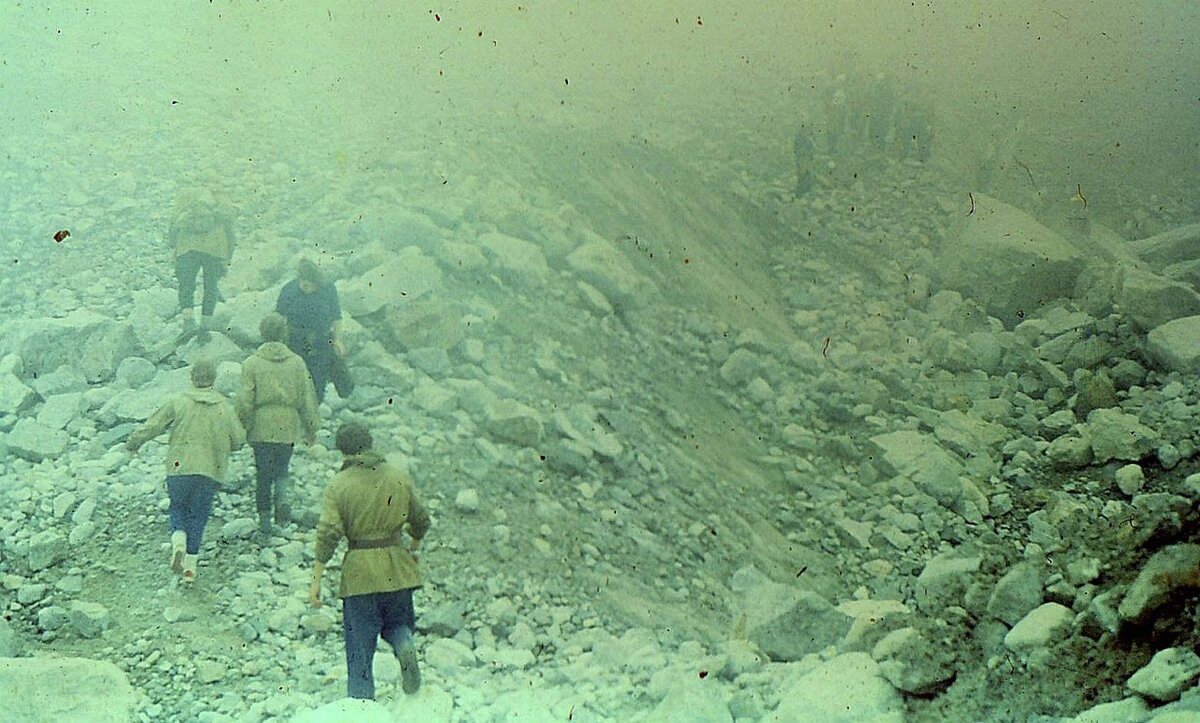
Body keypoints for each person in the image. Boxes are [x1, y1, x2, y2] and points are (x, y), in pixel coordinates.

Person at [310, 422, 431, 701]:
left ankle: (362, 707)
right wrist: (413, 546)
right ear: (371, 442)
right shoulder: (398, 476)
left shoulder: (339, 484)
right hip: (397, 568)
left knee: (359, 649)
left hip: (359, 574)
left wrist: (317, 576)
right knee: (398, 624)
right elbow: (421, 519)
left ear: (342, 451)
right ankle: (404, 644)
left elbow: (329, 532)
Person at [126, 359, 245, 583]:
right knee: (198, 516)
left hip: (179, 466)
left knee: (177, 508)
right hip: (209, 469)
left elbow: (153, 426)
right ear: (213, 378)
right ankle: (190, 568)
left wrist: (133, 443)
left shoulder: (178, 401)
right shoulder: (224, 408)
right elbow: (239, 440)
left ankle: (177, 539)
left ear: (192, 378)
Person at [236, 313, 320, 538]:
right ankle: (281, 507)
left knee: (263, 474)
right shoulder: (296, 362)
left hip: (262, 423)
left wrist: (245, 424)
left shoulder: (251, 363)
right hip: (288, 422)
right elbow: (306, 397)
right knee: (282, 468)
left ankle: (264, 524)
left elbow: (244, 400)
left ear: (262, 333)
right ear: (285, 333)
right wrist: (311, 428)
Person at [168, 182, 236, 341]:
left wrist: (173, 247)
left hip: (187, 246)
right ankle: (205, 328)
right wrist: (228, 257)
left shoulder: (186, 194)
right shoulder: (219, 195)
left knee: (186, 285)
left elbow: (173, 222)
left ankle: (188, 321)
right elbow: (230, 228)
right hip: (215, 247)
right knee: (211, 287)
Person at [276, 258, 345, 403]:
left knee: (318, 383)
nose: (306, 288)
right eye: (303, 284)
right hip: (295, 343)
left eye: (310, 286)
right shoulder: (289, 290)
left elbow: (337, 317)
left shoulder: (329, 289)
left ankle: (314, 414)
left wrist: (338, 339)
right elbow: (278, 318)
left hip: (321, 342)